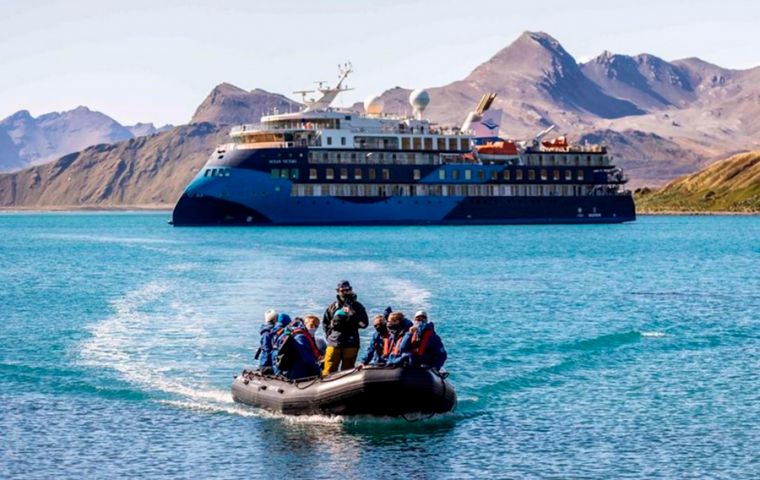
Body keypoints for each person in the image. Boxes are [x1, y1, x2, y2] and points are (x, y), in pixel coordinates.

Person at [322, 281, 369, 375]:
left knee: (347, 372)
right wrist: (330, 336)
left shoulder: (357, 306)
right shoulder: (332, 307)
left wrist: (353, 314)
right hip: (334, 342)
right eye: (342, 290)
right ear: (338, 291)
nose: (345, 292)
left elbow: (364, 324)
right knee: (328, 370)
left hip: (351, 343)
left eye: (347, 290)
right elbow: (325, 323)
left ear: (351, 290)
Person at [256, 309, 278, 374]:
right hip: (266, 365)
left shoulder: (268, 332)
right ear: (275, 319)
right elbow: (267, 351)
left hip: (268, 363)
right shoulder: (267, 333)